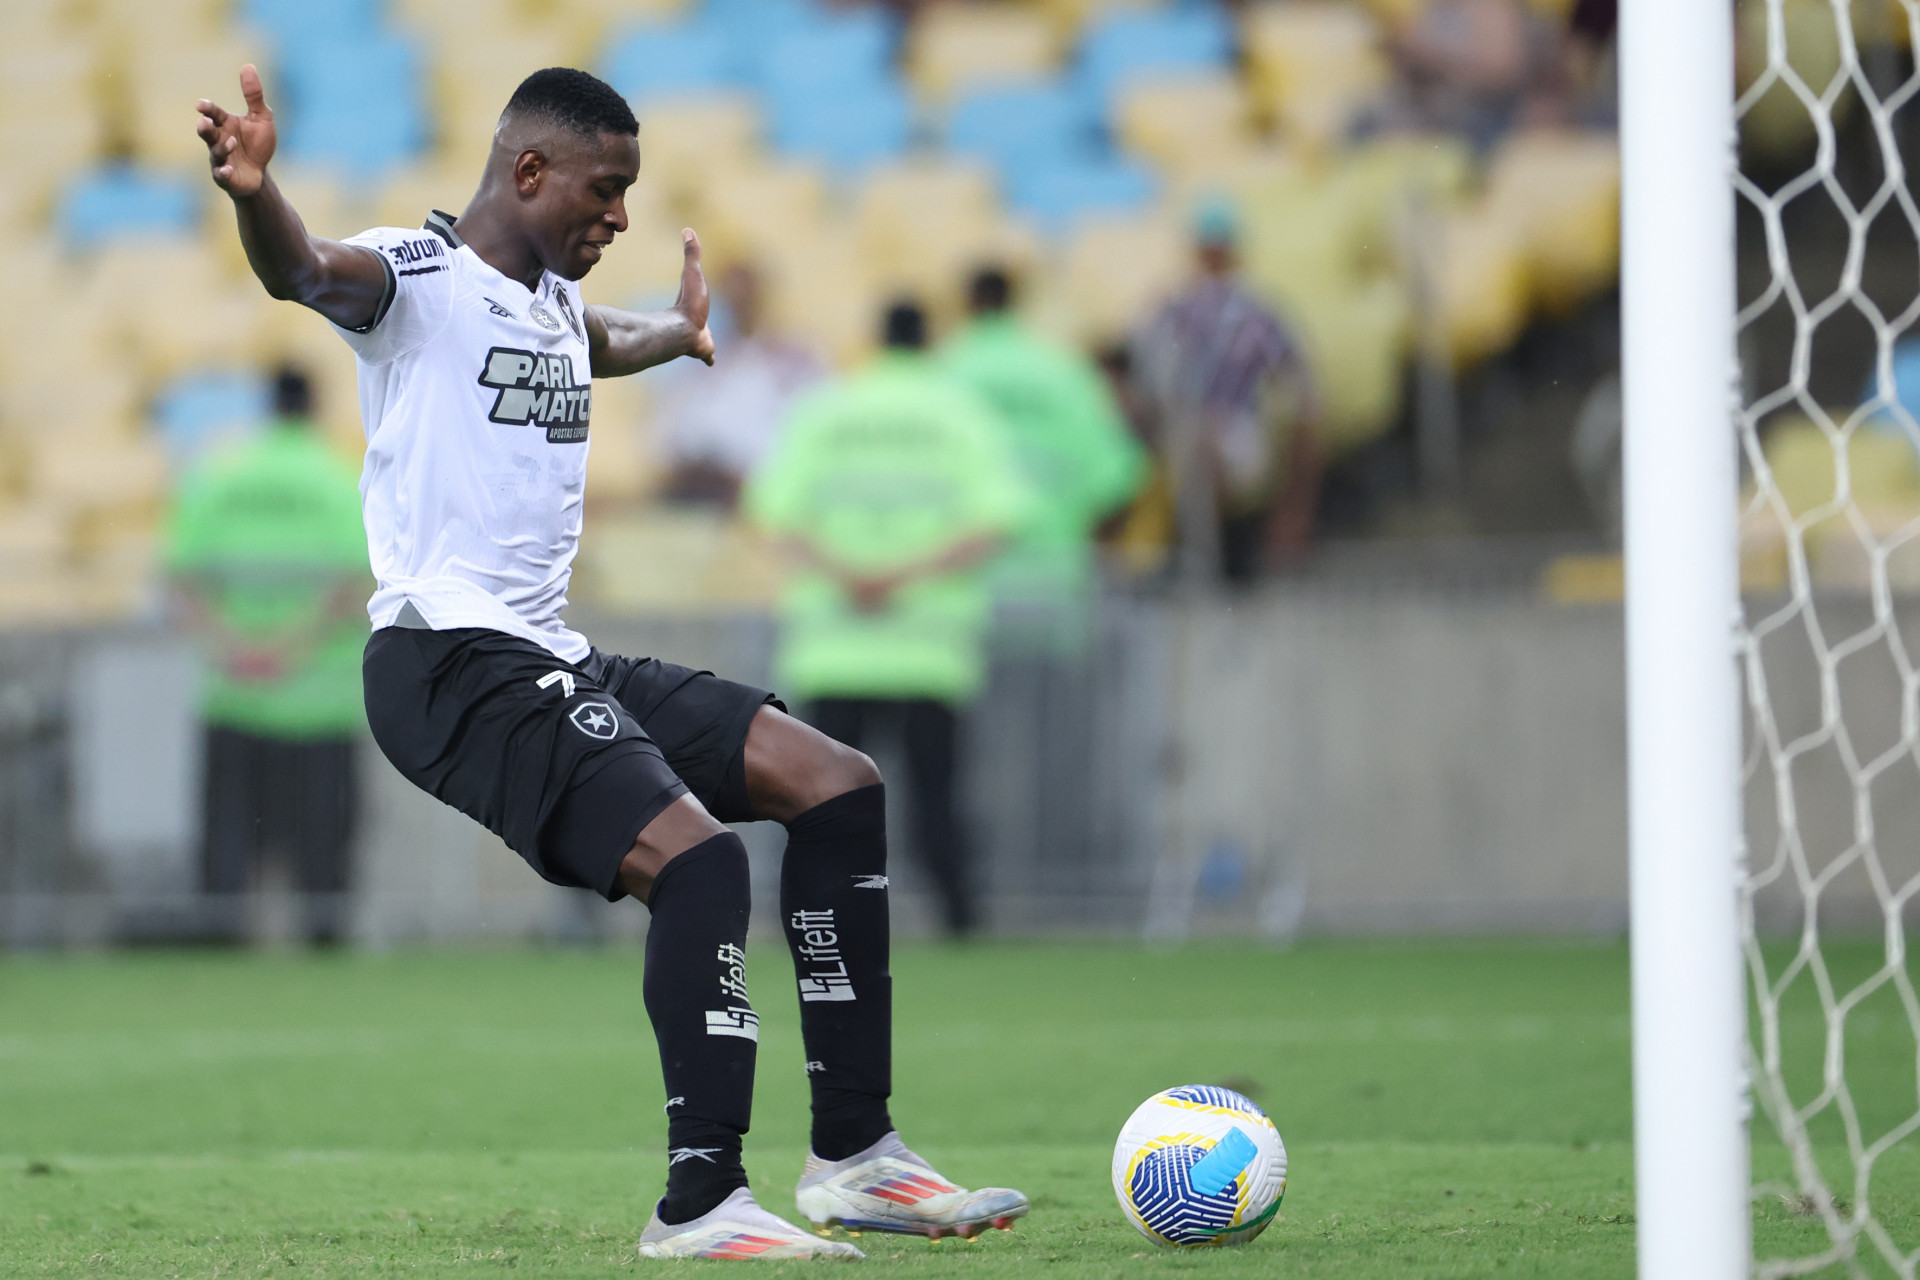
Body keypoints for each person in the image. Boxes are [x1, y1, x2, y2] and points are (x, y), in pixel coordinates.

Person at [195, 64, 1025, 1260]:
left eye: (631, 193)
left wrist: (675, 333)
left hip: (550, 653)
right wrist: (255, 193)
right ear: (527, 171)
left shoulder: (547, 306)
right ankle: (701, 1201)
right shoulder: (416, 281)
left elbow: (602, 338)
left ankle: (855, 1156)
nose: (622, 215)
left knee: (836, 782)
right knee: (698, 868)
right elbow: (305, 270)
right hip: (448, 663)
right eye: (607, 187)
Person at [746, 301, 1031, 937]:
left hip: (835, 647)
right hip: (929, 651)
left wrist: (853, 577)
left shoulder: (827, 409)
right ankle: (961, 928)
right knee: (937, 804)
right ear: (928, 341)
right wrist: (904, 577)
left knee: (822, 805)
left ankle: (812, 919)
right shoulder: (960, 413)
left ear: (876, 340)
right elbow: (995, 523)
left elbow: (774, 517)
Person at [165, 366, 370, 946]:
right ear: (313, 404)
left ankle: (220, 944)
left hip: (234, 695)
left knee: (227, 847)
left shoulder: (218, 475)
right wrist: (288, 651)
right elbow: (355, 586)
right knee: (323, 858)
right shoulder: (340, 476)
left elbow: (183, 580)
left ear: (266, 405)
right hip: (321, 702)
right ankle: (323, 948)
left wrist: (241, 651)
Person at [941, 266, 1144, 648]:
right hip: (1055, 597)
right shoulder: (1064, 372)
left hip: (962, 609)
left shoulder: (944, 371)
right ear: (1016, 302)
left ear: (967, 303)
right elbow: (1119, 478)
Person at [1133, 199, 1321, 587]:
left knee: (1204, 444)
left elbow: (1304, 393)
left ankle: (1204, 555)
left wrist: (1294, 503)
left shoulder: (1255, 312)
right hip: (1182, 434)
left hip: (1236, 433)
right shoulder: (1171, 309)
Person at [652, 262, 824, 509]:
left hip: (771, 495)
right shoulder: (692, 360)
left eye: (745, 297)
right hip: (704, 492)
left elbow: (814, 430)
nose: (738, 305)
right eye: (729, 297)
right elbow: (668, 439)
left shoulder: (795, 360)